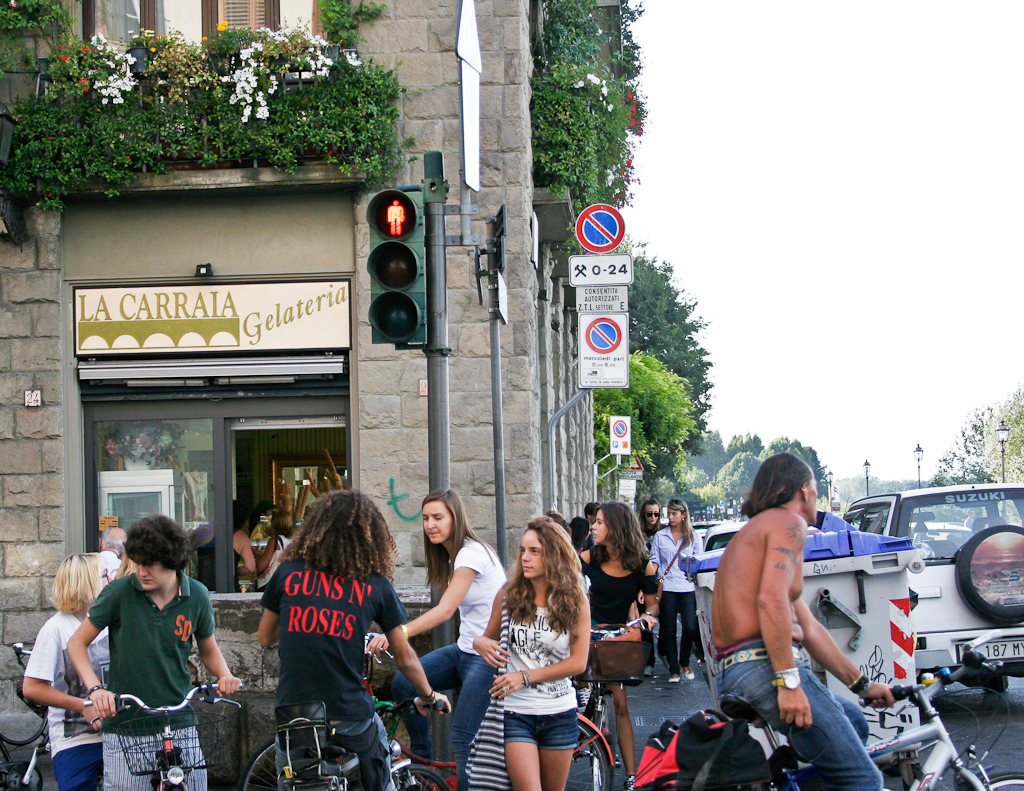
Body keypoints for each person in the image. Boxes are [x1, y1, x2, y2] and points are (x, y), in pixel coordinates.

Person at [711, 453, 895, 791]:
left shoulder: (752, 533)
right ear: (804, 490)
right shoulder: (788, 523)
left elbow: (809, 628)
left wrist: (863, 686)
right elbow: (771, 600)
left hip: (734, 671)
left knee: (853, 722)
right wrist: (789, 683)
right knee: (863, 779)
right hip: (762, 668)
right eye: (816, 487)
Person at [258, 490, 449, 791]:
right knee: (381, 767)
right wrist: (428, 694)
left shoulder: (287, 573)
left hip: (296, 711)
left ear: (315, 529)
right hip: (349, 714)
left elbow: (265, 636)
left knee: (293, 781)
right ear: (370, 536)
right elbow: (405, 657)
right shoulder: (375, 585)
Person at [68, 515, 241, 791]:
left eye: (149, 564)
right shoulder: (119, 593)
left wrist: (225, 675)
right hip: (127, 726)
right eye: (137, 562)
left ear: (173, 562)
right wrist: (96, 689)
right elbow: (76, 643)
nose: (141, 571)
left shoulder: (196, 595)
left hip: (179, 720)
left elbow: (208, 649)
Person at [383, 489, 506, 791]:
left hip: (487, 656)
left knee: (463, 737)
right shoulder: (452, 556)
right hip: (464, 649)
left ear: (456, 519)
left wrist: (401, 634)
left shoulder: (471, 553)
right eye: (425, 518)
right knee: (403, 682)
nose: (430, 525)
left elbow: (446, 610)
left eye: (438, 517)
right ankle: (424, 767)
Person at [474, 517, 590, 791]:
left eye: (534, 551)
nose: (525, 558)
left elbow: (578, 662)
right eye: (523, 551)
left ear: (554, 555)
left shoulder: (576, 600)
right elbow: (486, 638)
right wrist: (480, 643)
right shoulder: (508, 595)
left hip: (559, 712)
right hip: (516, 712)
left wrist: (525, 676)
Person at [580, 501, 659, 791]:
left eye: (599, 522)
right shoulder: (588, 558)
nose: (593, 527)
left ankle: (631, 774)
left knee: (621, 703)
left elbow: (652, 607)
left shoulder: (643, 565)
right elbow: (569, 586)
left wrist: (648, 619)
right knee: (576, 691)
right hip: (589, 631)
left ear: (616, 527)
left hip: (620, 635)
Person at [23, 554, 110, 791]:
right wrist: (82, 705)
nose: (110, 580)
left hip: (116, 734)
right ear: (87, 583)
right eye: (104, 575)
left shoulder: (113, 620)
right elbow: (31, 687)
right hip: (75, 739)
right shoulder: (55, 629)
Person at [651, 499, 703, 683]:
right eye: (669, 513)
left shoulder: (694, 536)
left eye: (674, 513)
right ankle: (674, 669)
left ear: (683, 515)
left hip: (687, 586)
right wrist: (652, 580)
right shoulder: (660, 536)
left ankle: (684, 661)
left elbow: (699, 562)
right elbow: (655, 560)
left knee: (690, 627)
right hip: (667, 587)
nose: (670, 517)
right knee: (669, 629)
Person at [256, 509, 294, 590]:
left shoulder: (275, 541)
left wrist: (257, 554)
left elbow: (261, 566)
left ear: (274, 524)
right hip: (291, 582)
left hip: (275, 584)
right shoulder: (295, 540)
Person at [233, 499, 256, 591]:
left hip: (202, 586)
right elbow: (250, 567)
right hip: (230, 586)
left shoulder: (205, 532)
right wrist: (234, 572)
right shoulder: (241, 538)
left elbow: (188, 550)